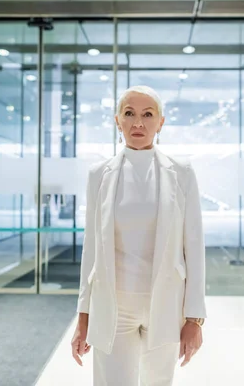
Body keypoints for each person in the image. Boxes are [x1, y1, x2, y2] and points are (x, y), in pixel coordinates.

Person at [71, 85, 207, 385]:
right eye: (129, 114)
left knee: (158, 382)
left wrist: (195, 318)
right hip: (113, 304)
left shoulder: (182, 172)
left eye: (148, 115)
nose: (138, 123)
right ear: (117, 120)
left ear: (161, 122)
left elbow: (194, 248)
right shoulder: (100, 174)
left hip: (167, 303)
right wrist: (83, 317)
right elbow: (91, 250)